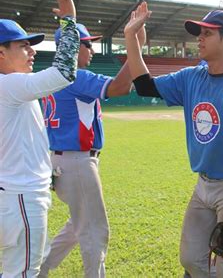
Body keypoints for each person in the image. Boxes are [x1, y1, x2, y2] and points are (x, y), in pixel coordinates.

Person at [124, 2, 223, 277]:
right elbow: (145, 85)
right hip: (204, 183)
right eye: (200, 32)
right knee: (191, 259)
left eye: (208, 33)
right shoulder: (191, 77)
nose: (200, 38)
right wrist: (130, 38)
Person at [39, 23, 142, 277]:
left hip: (61, 161)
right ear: (73, 47)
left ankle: (38, 270)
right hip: (77, 162)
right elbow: (121, 87)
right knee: (95, 231)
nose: (92, 49)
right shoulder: (75, 75)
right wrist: (134, 47)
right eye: (87, 44)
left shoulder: (52, 75)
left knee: (77, 225)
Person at [0, 0, 79, 277]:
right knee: (22, 273)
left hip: (12, 193)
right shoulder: (9, 84)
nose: (31, 51)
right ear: (1, 53)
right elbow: (63, 72)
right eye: (23, 45)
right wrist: (69, 20)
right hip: (21, 196)